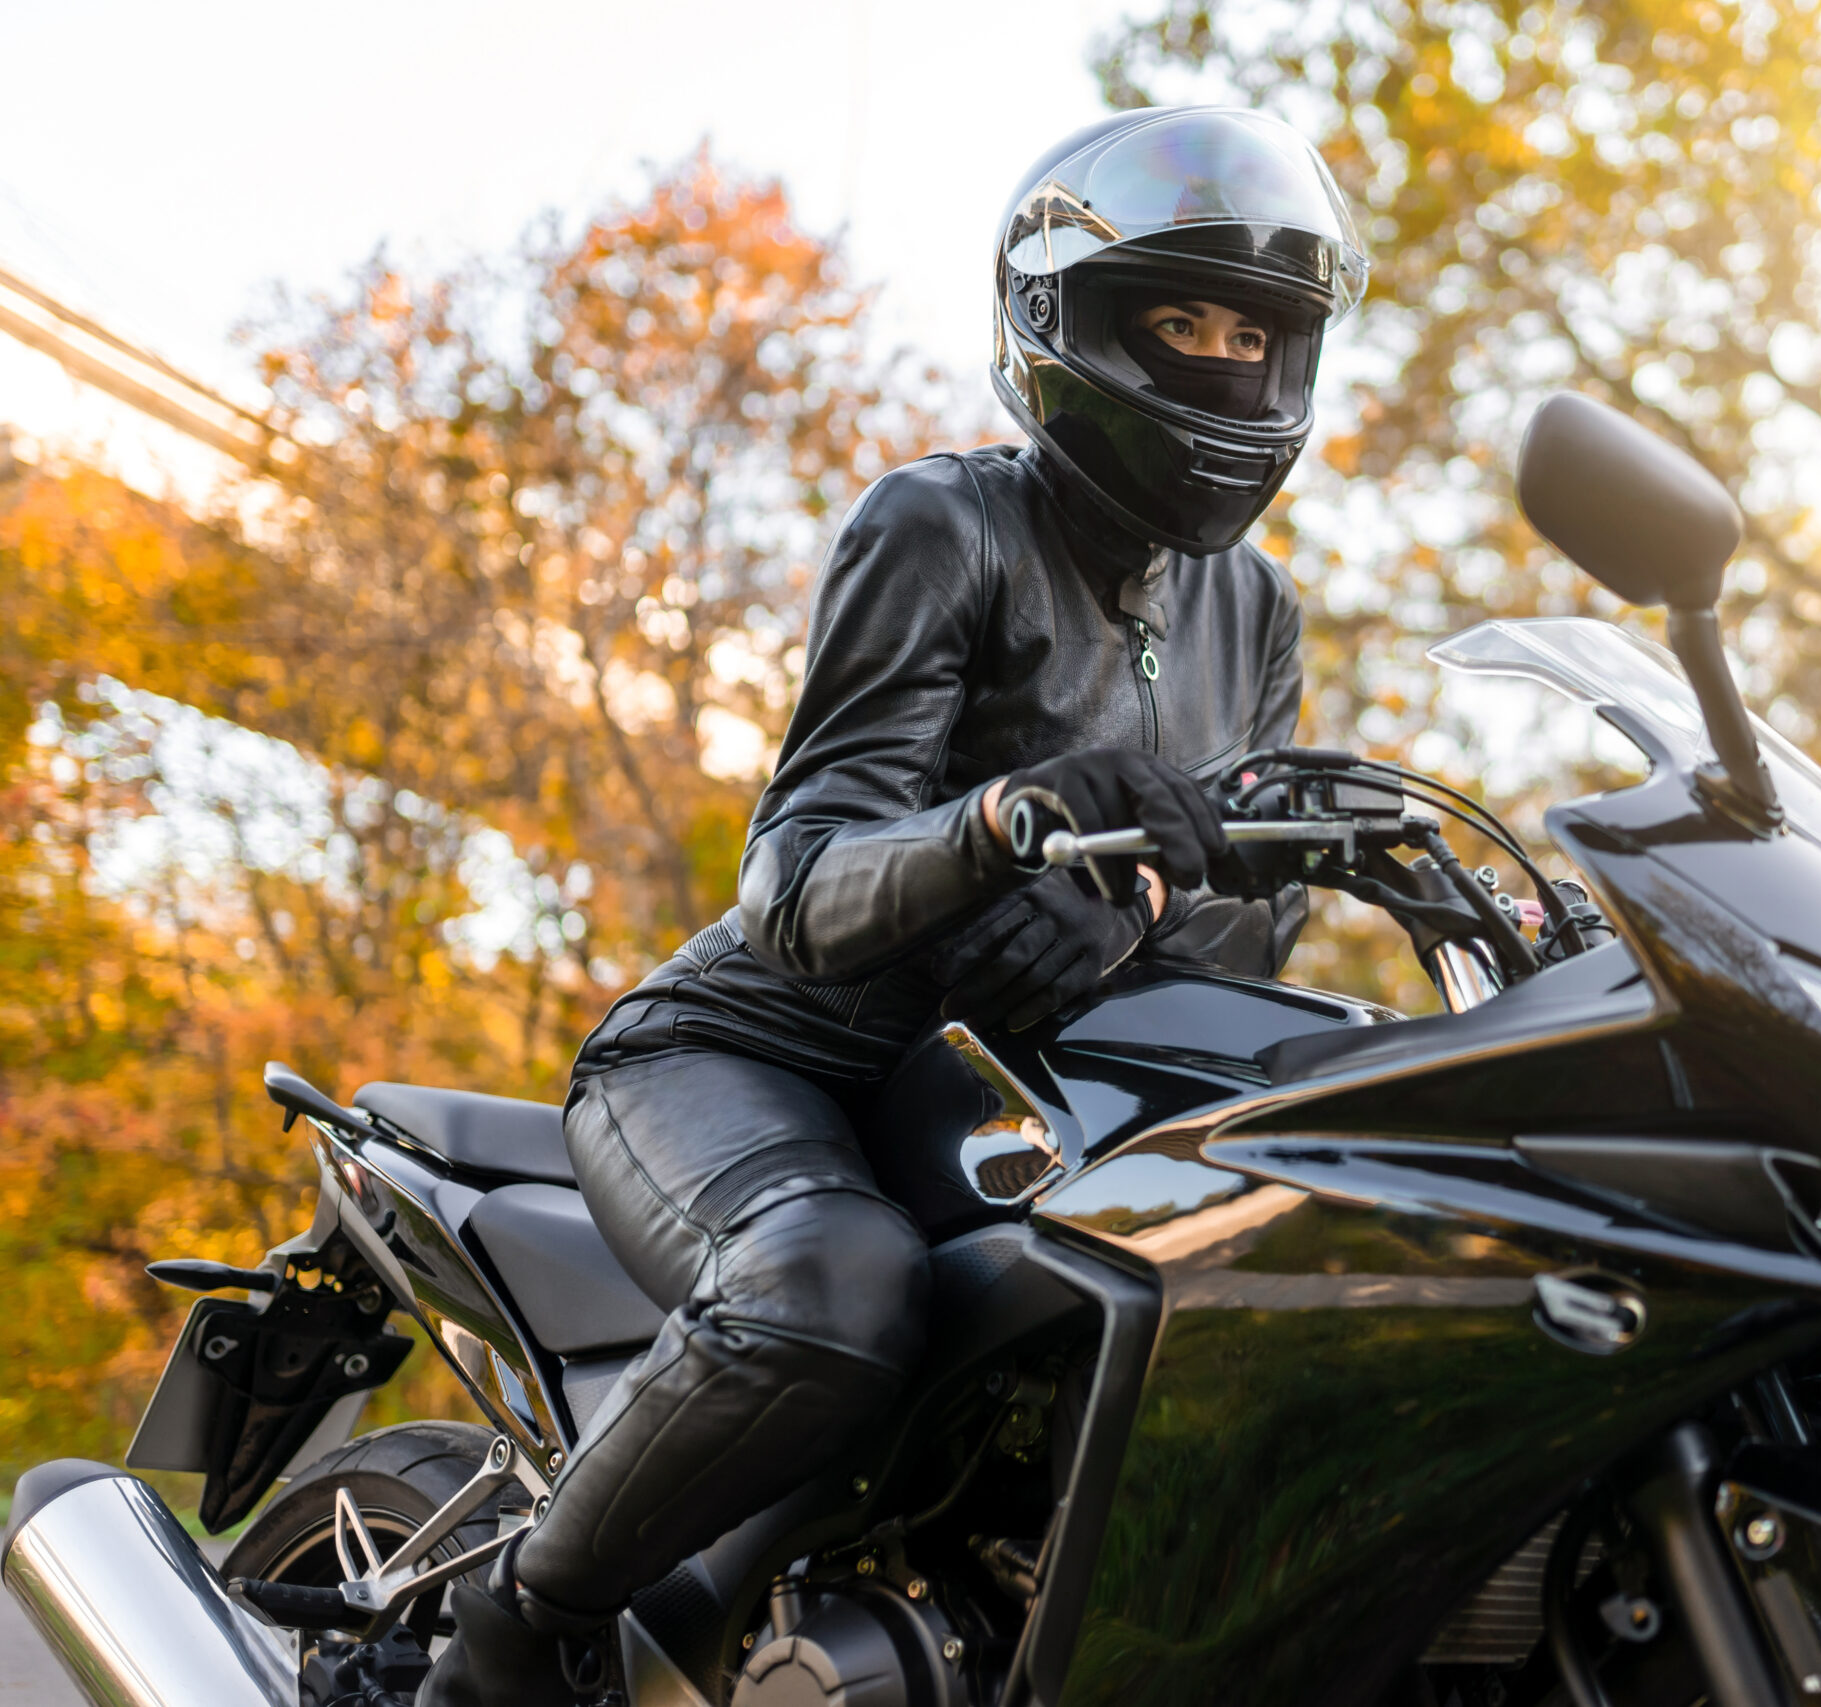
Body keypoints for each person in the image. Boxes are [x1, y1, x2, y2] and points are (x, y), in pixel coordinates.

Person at [417, 106, 1369, 1706]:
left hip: (999, 1096)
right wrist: (1009, 820)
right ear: (1071, 325)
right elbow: (794, 889)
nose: (1219, 362)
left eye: (1251, 333)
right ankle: (510, 1642)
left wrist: (1150, 907)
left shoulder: (1254, 611)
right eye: (1178, 320)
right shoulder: (945, 525)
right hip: (754, 1057)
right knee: (828, 1290)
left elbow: (1222, 935)